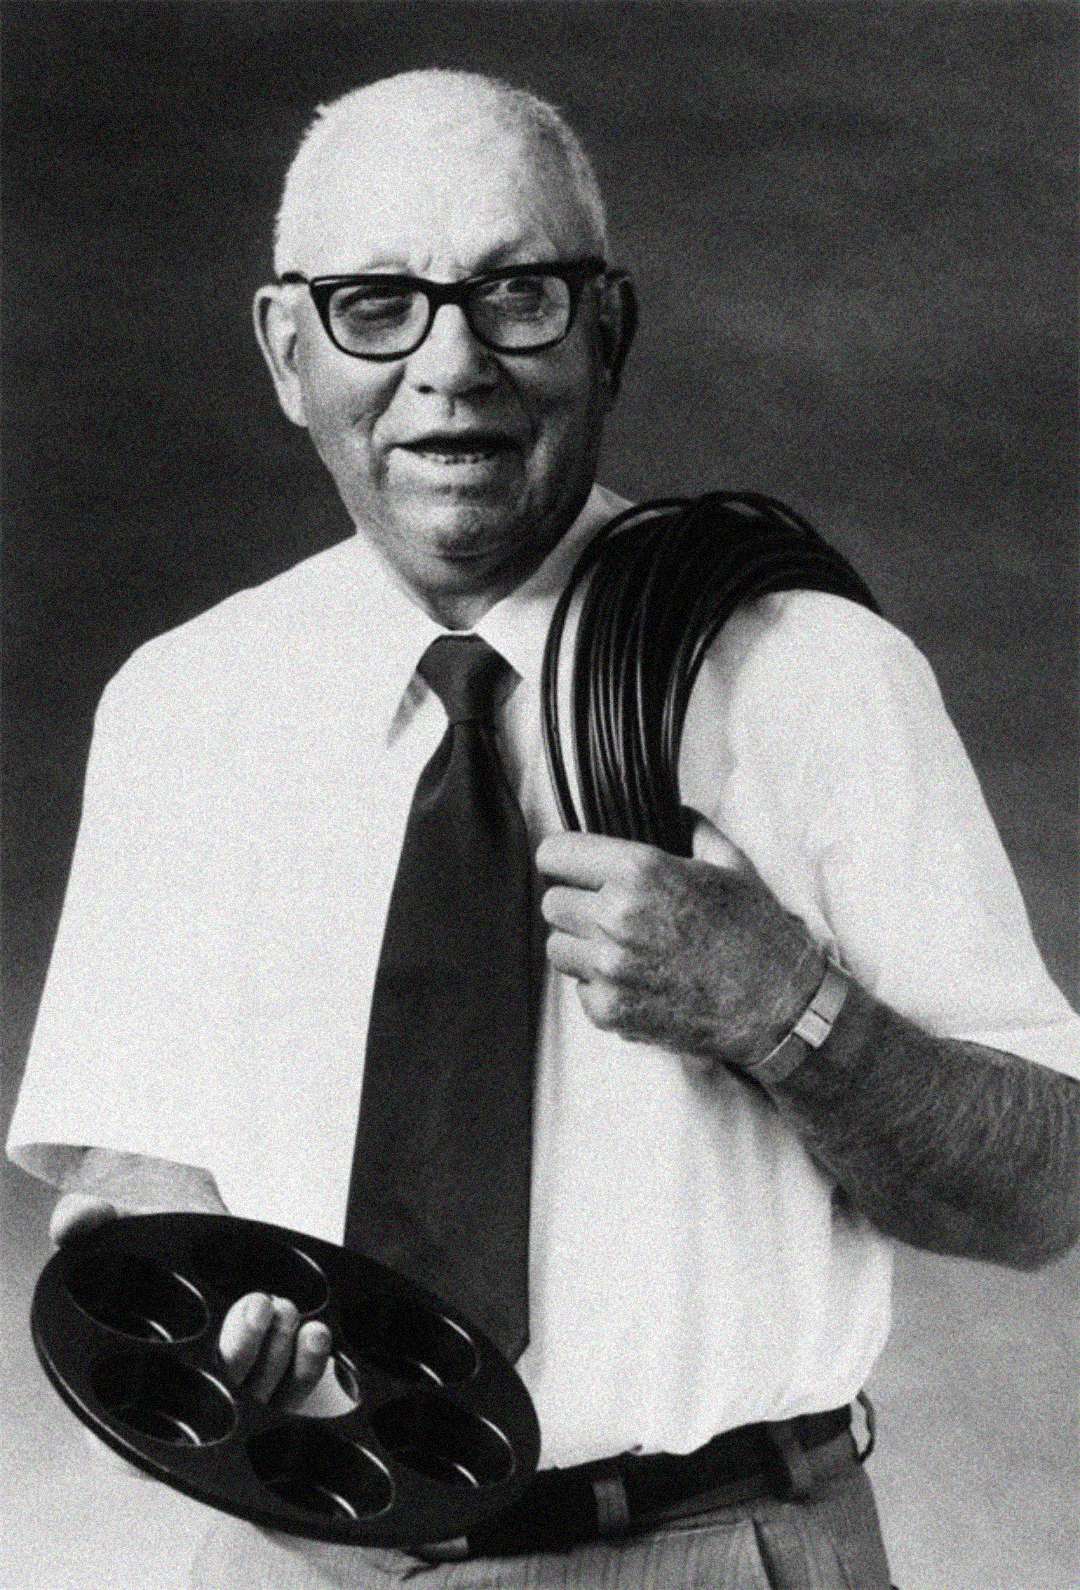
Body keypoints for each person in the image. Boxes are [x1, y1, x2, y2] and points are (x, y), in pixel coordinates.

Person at [8, 68, 1080, 1589]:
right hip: (303, 1559)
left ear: (608, 330)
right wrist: (210, 1289)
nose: (452, 365)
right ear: (284, 349)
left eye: (516, 295)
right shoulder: (185, 706)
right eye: (378, 302)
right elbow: (148, 1150)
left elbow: (1048, 1188)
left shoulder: (812, 679)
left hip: (705, 1549)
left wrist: (791, 1008)